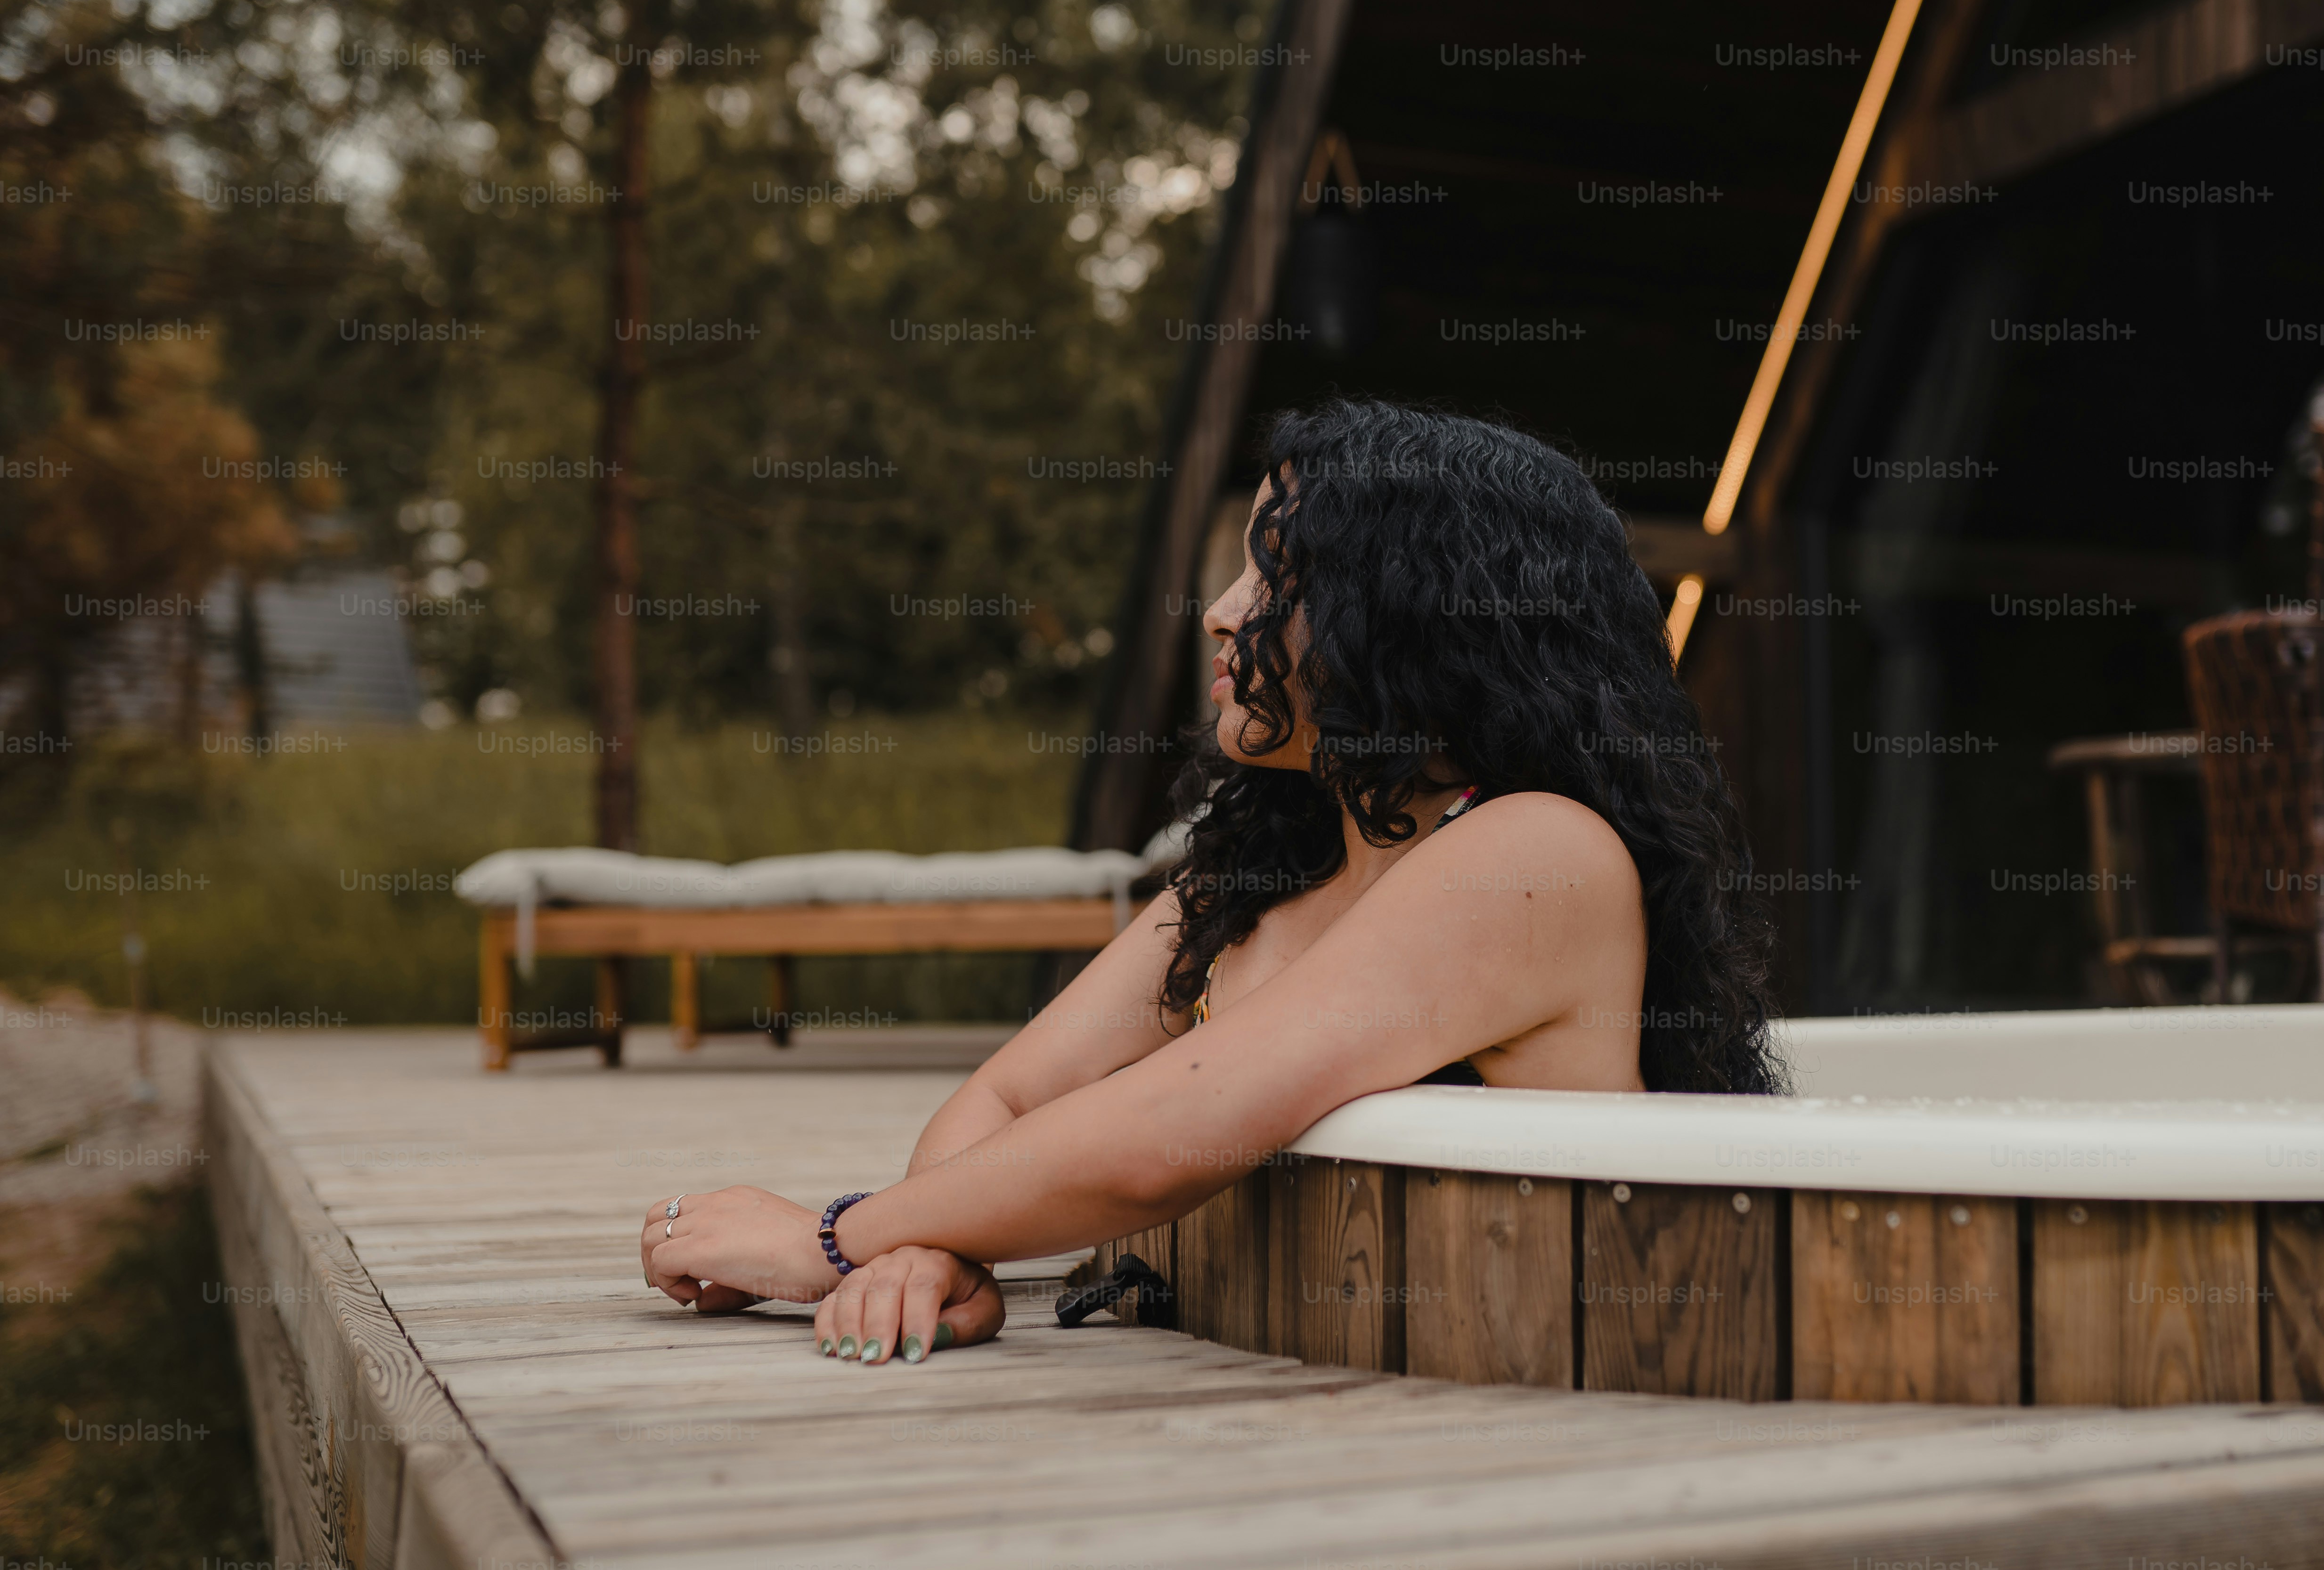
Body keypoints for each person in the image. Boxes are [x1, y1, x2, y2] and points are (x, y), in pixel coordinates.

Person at [640, 400, 1782, 1364]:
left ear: (1414, 617)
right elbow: (1005, 1099)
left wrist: (834, 1239)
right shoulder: (1263, 864)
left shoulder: (1535, 854)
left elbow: (1171, 1130)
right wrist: (938, 1249)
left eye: (1277, 574)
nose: (1225, 610)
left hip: (1569, 1393)